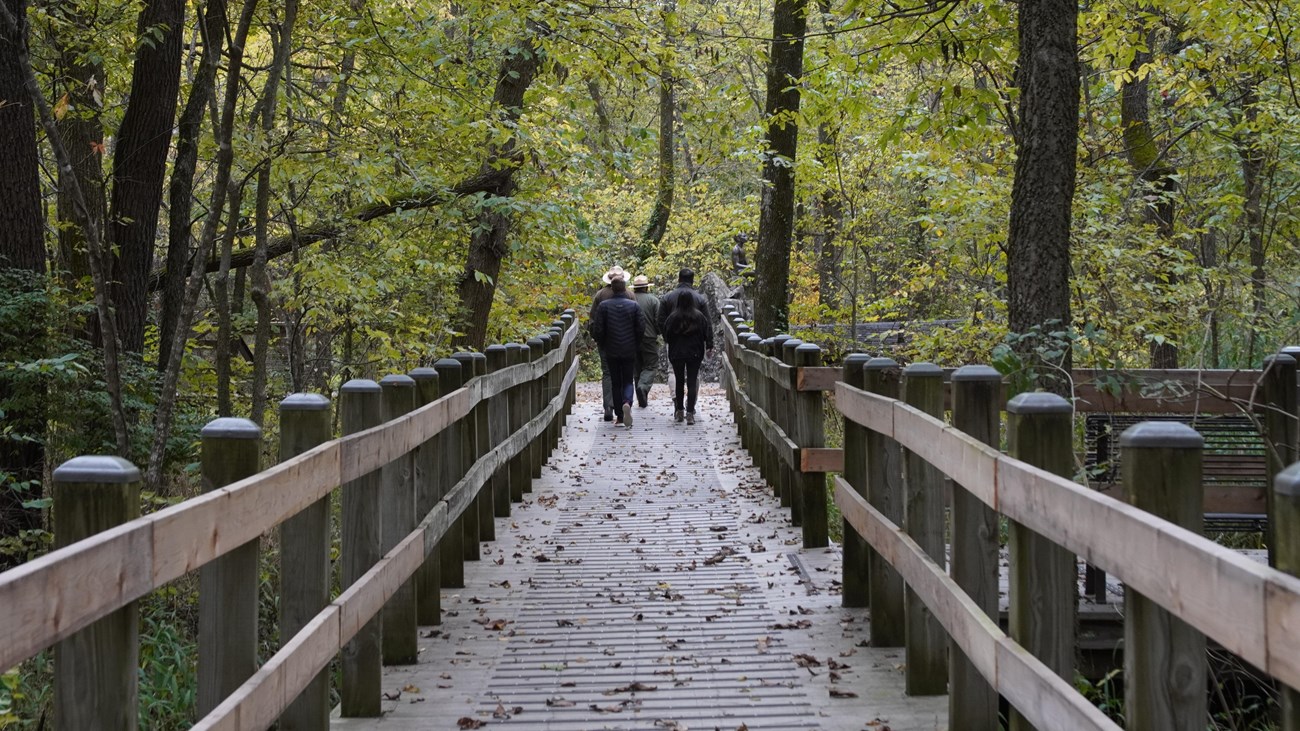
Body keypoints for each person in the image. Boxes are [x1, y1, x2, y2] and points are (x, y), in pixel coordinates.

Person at [658, 268, 713, 424]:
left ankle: (679, 409)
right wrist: (709, 343)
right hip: (695, 349)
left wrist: (668, 339)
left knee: (678, 378)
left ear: (678, 278)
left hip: (676, 348)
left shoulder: (668, 301)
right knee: (693, 379)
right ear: (692, 280)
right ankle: (690, 411)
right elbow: (707, 325)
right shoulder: (700, 304)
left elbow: (661, 322)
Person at [590, 277, 645, 428]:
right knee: (628, 379)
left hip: (611, 349)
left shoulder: (603, 306)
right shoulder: (634, 306)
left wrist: (603, 343)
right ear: (625, 288)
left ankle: (620, 417)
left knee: (615, 382)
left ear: (612, 289)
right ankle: (627, 402)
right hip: (629, 348)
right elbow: (641, 327)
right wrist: (635, 343)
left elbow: (598, 329)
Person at [589, 265, 627, 421]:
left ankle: (608, 406)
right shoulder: (630, 294)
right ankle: (623, 404)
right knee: (624, 373)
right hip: (625, 341)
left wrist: (597, 337)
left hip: (605, 341)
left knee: (607, 373)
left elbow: (593, 320)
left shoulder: (600, 295)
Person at [630, 275, 661, 408]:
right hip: (649, 337)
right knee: (651, 366)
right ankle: (643, 388)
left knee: (637, 368)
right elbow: (658, 320)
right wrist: (659, 332)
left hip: (631, 338)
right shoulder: (653, 300)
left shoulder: (629, 299)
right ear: (647, 287)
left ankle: (641, 398)